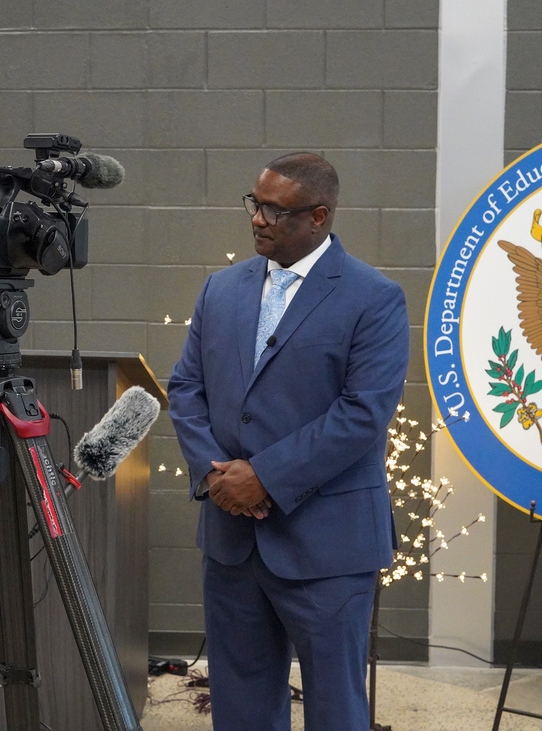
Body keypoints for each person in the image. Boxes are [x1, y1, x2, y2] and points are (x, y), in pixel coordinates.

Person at [168, 152, 410, 730]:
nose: (257, 219)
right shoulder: (220, 289)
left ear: (319, 216)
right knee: (241, 702)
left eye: (274, 210)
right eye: (255, 204)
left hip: (327, 546)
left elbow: (362, 414)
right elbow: (185, 388)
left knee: (335, 708)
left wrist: (264, 477)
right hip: (232, 541)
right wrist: (213, 475)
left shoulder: (373, 298)